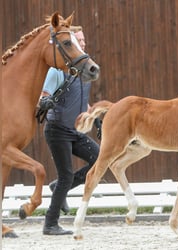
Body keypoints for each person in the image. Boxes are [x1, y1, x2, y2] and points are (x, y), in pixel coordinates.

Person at [38, 26, 101, 235]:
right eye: (78, 40)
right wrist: (45, 101)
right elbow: (43, 96)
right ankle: (50, 224)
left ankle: (58, 187)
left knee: (99, 160)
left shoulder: (82, 70)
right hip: (57, 130)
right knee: (66, 175)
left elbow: (82, 100)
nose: (82, 44)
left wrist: (96, 119)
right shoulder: (57, 71)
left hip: (75, 131)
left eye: (83, 40)